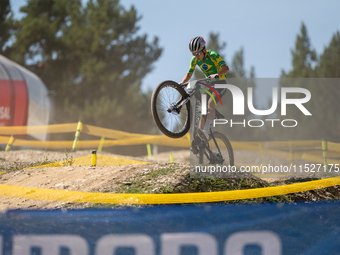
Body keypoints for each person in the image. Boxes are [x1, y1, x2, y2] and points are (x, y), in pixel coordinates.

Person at [180, 36, 229, 148]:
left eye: (198, 54)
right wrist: (181, 83)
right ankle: (200, 137)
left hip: (220, 84)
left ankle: (206, 130)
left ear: (204, 50)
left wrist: (216, 75)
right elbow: (189, 74)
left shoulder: (213, 55)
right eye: (193, 54)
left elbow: (226, 68)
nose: (196, 57)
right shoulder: (195, 60)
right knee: (203, 111)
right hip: (209, 86)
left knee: (210, 103)